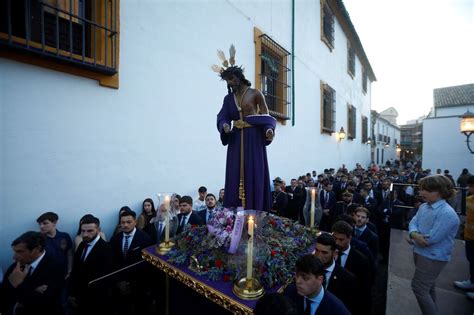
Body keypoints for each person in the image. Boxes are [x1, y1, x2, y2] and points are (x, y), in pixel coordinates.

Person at [215, 46, 276, 212]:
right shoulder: (228, 99)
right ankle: (235, 214)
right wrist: (225, 126)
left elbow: (266, 116)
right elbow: (222, 116)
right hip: (236, 140)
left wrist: (269, 130)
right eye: (227, 80)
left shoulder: (255, 93)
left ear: (239, 77)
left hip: (254, 138)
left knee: (254, 172)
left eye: (231, 79)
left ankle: (256, 212)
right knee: (235, 174)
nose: (229, 83)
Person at [407, 175, 460, 315]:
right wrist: (414, 234)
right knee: (428, 287)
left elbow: (429, 240)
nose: (422, 192)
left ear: (440, 191)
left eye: (427, 190)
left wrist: (413, 237)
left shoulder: (447, 213)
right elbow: (413, 222)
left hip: (433, 257)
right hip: (420, 252)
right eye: (422, 189)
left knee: (419, 288)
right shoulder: (424, 206)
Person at [0, 231, 64, 315]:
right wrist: (34, 290)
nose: (14, 257)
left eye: (20, 252)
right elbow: (4, 294)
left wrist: (19, 284)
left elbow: (45, 302)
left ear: (36, 249)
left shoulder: (56, 266)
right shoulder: (15, 267)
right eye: (15, 252)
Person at [68, 215, 113, 315]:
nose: (85, 234)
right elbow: (76, 269)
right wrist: (72, 292)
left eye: (90, 231)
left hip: (96, 298)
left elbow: (103, 278)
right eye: (83, 231)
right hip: (80, 297)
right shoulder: (82, 245)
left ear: (98, 230)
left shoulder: (106, 249)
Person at [284, 255, 350, 315]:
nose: (298, 281)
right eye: (297, 275)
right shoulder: (290, 293)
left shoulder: (337, 310)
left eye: (305, 278)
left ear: (320, 279)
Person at [314, 233, 359, 314]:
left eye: (324, 253)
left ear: (334, 253)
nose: (319, 256)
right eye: (317, 251)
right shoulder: (309, 271)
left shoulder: (347, 279)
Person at [454, 175, 474, 298]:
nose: (469, 188)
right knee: (471, 259)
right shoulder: (470, 199)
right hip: (469, 236)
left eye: (471, 186)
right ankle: (472, 282)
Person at [36, 212, 73, 279]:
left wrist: (69, 270)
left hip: (64, 274)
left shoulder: (64, 236)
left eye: (45, 223)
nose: (41, 226)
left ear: (54, 222)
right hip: (46, 277)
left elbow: (69, 254)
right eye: (40, 224)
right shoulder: (38, 238)